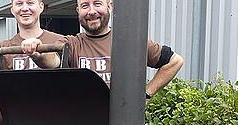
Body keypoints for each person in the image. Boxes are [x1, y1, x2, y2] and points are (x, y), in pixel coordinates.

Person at [23, 0, 184, 96]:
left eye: (97, 3)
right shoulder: (72, 43)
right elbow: (52, 61)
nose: (91, 11)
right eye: (85, 5)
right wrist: (37, 54)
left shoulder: (130, 42)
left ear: (109, 5)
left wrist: (146, 94)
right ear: (78, 11)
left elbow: (174, 61)